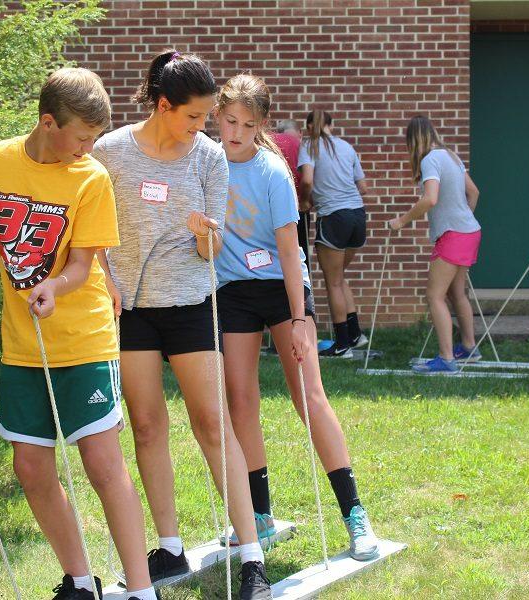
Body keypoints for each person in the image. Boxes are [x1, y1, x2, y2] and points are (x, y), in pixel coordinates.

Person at [0, 68, 155, 600]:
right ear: (47, 122)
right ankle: (80, 583)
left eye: (95, 139)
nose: (88, 148)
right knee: (31, 467)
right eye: (81, 137)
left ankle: (144, 590)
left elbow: (84, 265)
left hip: (85, 340)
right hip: (23, 344)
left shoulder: (90, 178)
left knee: (103, 465)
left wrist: (54, 287)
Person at [91, 50, 271, 599]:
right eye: (193, 116)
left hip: (192, 304)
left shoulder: (209, 158)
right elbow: (91, 229)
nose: (202, 128)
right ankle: (169, 547)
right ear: (163, 106)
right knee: (146, 427)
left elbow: (214, 247)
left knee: (212, 424)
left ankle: (250, 554)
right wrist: (107, 282)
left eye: (206, 117)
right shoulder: (110, 152)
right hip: (132, 312)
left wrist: (203, 233)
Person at [214, 73, 380, 561]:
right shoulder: (206, 164)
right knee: (240, 402)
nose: (237, 132)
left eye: (247, 123)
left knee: (308, 396)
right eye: (229, 121)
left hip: (282, 290)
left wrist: (304, 318)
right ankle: (260, 516)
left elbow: (290, 251)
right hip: (233, 292)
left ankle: (355, 515)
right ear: (217, 118)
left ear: (262, 124)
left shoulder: (271, 172)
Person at [388, 115, 481, 373]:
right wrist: (464, 217)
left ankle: (446, 358)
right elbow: (474, 192)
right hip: (470, 230)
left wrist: (402, 221)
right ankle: (469, 348)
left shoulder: (430, 159)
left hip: (454, 234)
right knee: (456, 293)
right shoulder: (451, 155)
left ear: (413, 141)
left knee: (435, 295)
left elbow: (430, 199)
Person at [298, 110, 370, 358]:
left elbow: (306, 180)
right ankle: (355, 335)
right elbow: (363, 186)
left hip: (334, 216)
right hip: (358, 215)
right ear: (331, 124)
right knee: (339, 277)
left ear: (308, 128)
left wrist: (305, 201)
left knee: (334, 282)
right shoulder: (347, 147)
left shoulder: (309, 145)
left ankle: (342, 345)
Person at [273, 119, 311, 271]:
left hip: (273, 207)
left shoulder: (269, 141)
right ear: (300, 133)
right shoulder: (300, 145)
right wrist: (305, 200)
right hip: (297, 207)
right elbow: (308, 180)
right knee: (300, 253)